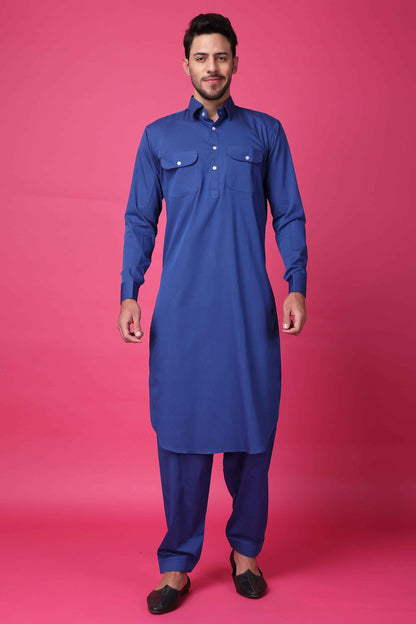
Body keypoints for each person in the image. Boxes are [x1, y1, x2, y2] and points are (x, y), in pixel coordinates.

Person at [117, 13, 308, 615]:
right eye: (201, 57)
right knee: (180, 438)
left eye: (221, 56)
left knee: (253, 438)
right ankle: (177, 562)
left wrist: (296, 283)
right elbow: (140, 218)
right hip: (181, 316)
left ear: (235, 62)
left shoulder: (266, 132)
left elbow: (289, 213)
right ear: (186, 65)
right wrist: (129, 290)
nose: (212, 67)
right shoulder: (159, 137)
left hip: (248, 311)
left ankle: (246, 553)